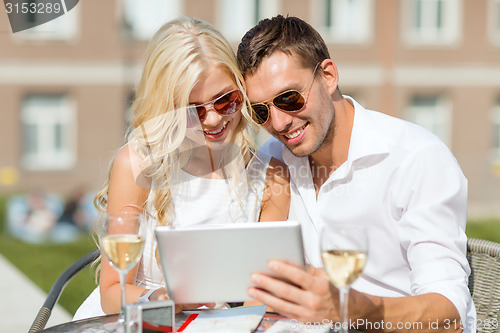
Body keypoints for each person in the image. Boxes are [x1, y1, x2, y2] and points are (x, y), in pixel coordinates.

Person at [237, 15, 475, 332]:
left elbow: (450, 314)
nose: (279, 123)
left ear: (328, 76)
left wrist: (350, 309)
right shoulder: (271, 160)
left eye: (289, 99)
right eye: (261, 111)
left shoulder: (417, 159)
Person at [73, 16, 289, 320]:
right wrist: (160, 299)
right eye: (193, 110)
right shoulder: (138, 165)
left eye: (226, 100)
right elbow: (112, 292)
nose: (213, 119)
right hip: (139, 321)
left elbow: (265, 297)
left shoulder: (270, 176)